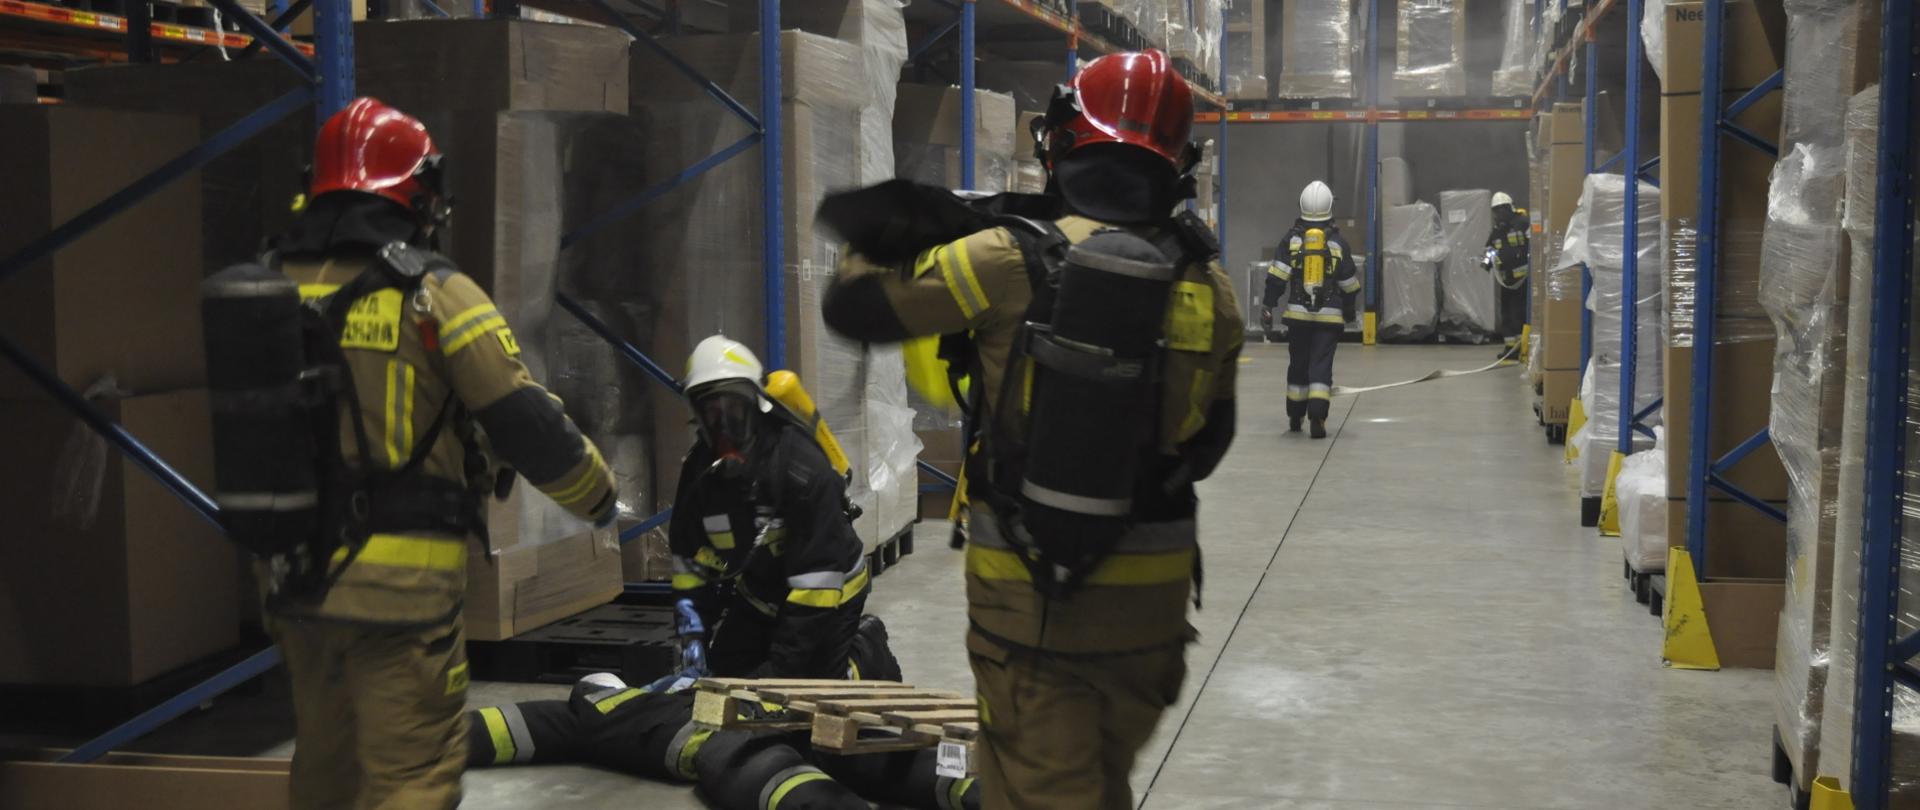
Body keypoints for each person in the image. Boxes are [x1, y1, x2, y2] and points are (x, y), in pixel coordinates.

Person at [820, 49, 1242, 810]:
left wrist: (890, 233)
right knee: (1097, 785)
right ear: (1178, 161)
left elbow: (853, 310)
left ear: (1063, 142)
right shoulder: (1209, 284)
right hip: (1153, 617)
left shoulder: (1002, 256)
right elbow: (1208, 445)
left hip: (1035, 610)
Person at [262, 98, 617, 809]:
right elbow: (525, 423)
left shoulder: (268, 284)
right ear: (417, 195)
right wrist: (598, 498)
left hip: (294, 583)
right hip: (402, 592)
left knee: (326, 771)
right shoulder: (431, 292)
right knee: (412, 777)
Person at [462, 616, 982, 809]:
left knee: (802, 769)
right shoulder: (593, 710)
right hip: (743, 729)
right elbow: (509, 728)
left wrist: (441, 740)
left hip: (734, 734)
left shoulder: (603, 714)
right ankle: (976, 789)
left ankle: (971, 787)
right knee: (850, 759)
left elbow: (508, 727)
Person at [668, 335, 871, 679]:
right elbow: (689, 560)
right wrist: (693, 635)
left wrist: (782, 667)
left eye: (734, 407)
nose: (724, 423)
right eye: (711, 410)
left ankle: (865, 658)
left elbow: (817, 584)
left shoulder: (802, 469)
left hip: (830, 595)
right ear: (697, 416)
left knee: (806, 691)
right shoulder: (700, 473)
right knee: (721, 679)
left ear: (756, 405)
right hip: (760, 596)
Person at [1263, 180, 1360, 439]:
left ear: (1301, 206)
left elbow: (1277, 277)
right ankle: (1318, 416)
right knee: (1320, 365)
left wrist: (1268, 305)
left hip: (1297, 317)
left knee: (1298, 365)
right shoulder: (1338, 242)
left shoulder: (1292, 240)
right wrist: (1349, 309)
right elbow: (1349, 283)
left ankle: (1295, 416)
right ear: (1329, 207)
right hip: (1329, 319)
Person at [1483, 191, 1532, 352]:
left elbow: (1535, 245)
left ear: (1510, 208)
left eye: (1502, 209)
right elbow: (1490, 249)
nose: (1499, 214)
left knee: (1520, 313)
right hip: (1506, 281)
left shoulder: (1523, 223)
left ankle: (1523, 348)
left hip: (1524, 281)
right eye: (1496, 210)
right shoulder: (1497, 230)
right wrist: (1486, 263)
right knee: (1507, 313)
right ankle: (1510, 348)